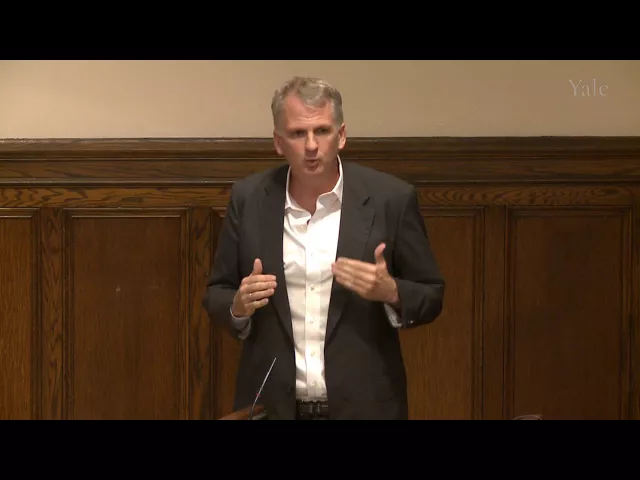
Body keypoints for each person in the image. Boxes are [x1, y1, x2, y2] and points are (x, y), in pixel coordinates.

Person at [202, 76, 445, 420]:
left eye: (322, 131)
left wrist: (392, 292)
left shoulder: (390, 199)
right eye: (298, 133)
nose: (312, 145)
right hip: (272, 408)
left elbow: (432, 294)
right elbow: (217, 293)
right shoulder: (249, 199)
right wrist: (238, 306)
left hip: (365, 408)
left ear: (341, 135)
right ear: (278, 142)